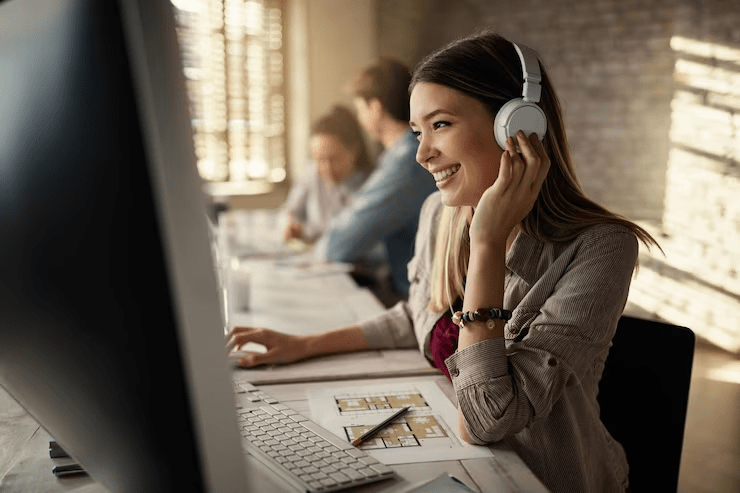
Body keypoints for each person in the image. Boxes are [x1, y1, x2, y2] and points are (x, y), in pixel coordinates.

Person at [228, 31, 659, 493]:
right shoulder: (441, 212)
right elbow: (420, 315)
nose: (421, 153)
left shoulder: (601, 247)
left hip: (543, 478)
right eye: (417, 132)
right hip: (466, 462)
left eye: (441, 125)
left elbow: (485, 421)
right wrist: (305, 345)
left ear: (518, 126)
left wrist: (489, 245)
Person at [311, 58, 438, 299]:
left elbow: (339, 245)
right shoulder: (404, 154)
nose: (360, 118)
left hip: (418, 300)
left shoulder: (407, 161)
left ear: (375, 108)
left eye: (360, 108)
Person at [282, 105, 373, 243]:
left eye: (334, 159)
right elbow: (289, 211)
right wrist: (291, 224)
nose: (327, 168)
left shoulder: (372, 183)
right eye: (319, 159)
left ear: (353, 151)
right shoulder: (312, 173)